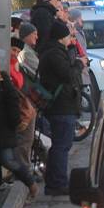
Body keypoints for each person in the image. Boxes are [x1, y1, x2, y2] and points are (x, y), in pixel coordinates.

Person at [37, 20, 86, 196]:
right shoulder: (54, 54)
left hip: (62, 104)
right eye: (67, 35)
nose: (69, 38)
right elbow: (67, 74)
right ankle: (57, 183)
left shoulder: (54, 51)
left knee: (60, 145)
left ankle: (54, 181)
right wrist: (80, 64)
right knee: (61, 145)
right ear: (60, 38)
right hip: (61, 106)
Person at [0, 69, 38, 197]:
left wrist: (13, 124)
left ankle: (29, 181)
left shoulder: (6, 85)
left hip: (4, 132)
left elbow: (13, 107)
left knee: (8, 160)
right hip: (5, 130)